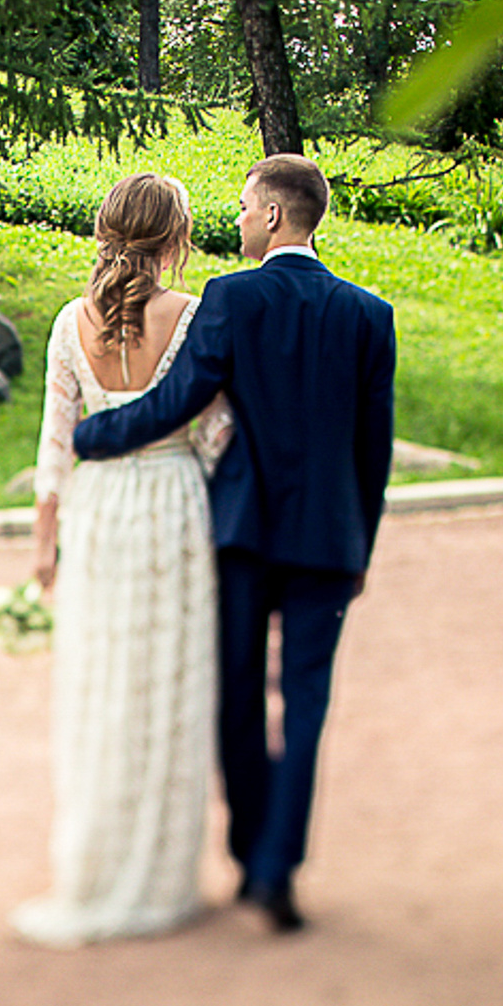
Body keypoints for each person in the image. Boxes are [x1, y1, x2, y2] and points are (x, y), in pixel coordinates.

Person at [70, 154, 395, 935]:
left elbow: (179, 400)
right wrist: (361, 547)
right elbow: (373, 449)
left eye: (248, 206)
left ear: (275, 215)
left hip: (244, 533)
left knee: (238, 695)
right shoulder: (368, 314)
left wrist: (93, 434)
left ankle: (252, 851)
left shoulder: (232, 297)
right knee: (307, 706)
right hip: (330, 540)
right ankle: (276, 869)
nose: (241, 217)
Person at [16, 173, 233, 948]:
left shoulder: (68, 324)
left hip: (101, 512)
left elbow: (54, 447)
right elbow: (216, 436)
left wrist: (45, 544)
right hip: (173, 507)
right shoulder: (194, 317)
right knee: (168, 682)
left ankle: (95, 865)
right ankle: (160, 876)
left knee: (102, 682)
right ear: (174, 238)